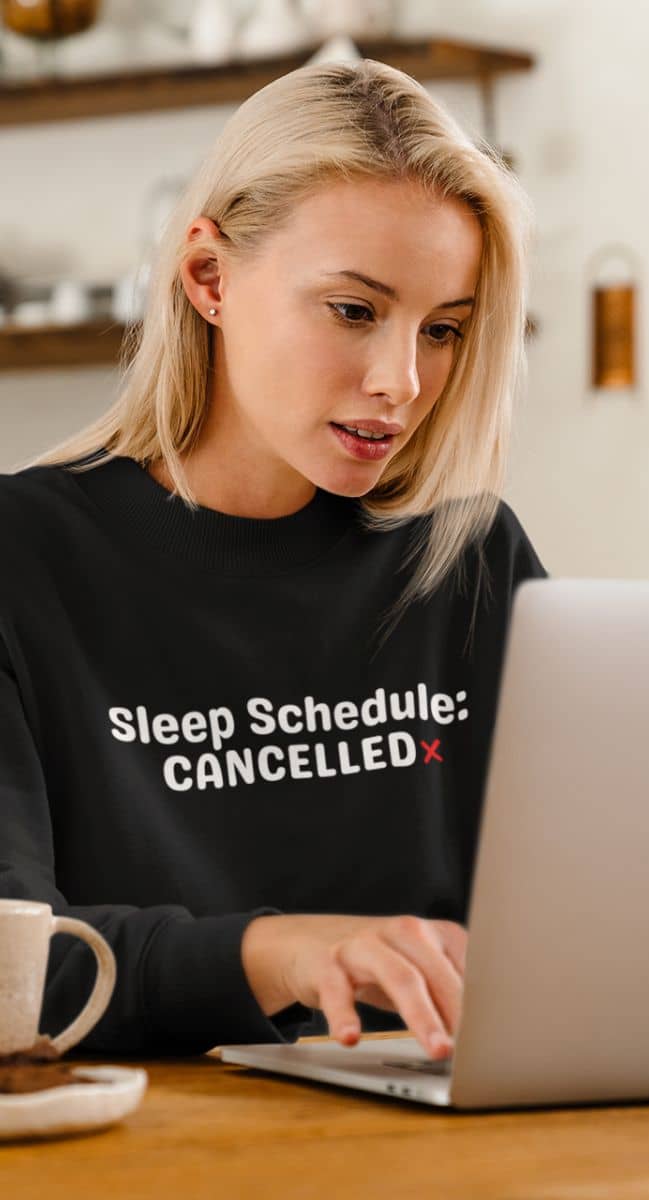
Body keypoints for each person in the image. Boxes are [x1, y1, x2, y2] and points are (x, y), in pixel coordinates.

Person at [0, 59, 546, 1061]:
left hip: (456, 1133)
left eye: (442, 330)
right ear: (208, 277)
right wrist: (277, 955)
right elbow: (12, 972)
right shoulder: (21, 561)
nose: (401, 380)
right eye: (352, 311)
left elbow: (589, 918)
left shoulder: (470, 560)